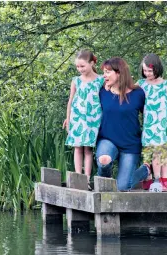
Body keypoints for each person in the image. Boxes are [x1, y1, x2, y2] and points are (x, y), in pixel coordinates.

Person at [95, 57, 150, 191]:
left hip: (130, 145)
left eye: (108, 72)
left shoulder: (138, 93)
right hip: (108, 140)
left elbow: (150, 118)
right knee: (103, 161)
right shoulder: (102, 92)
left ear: (119, 72)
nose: (104, 75)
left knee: (123, 187)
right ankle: (105, 186)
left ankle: (145, 171)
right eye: (104, 72)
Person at [138, 54, 167, 192]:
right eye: (145, 71)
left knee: (165, 151)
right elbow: (128, 92)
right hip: (151, 123)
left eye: (150, 71)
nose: (147, 73)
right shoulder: (141, 84)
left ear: (157, 69)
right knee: (156, 151)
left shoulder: (166, 83)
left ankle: (165, 180)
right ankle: (156, 180)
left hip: (165, 122)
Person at [63, 50, 104, 182]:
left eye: (82, 66)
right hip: (77, 117)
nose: (80, 69)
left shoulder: (100, 80)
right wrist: (68, 118)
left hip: (93, 118)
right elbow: (71, 100)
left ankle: (86, 178)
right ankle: (78, 177)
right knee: (77, 147)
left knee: (88, 148)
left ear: (91, 63)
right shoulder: (76, 81)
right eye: (78, 67)